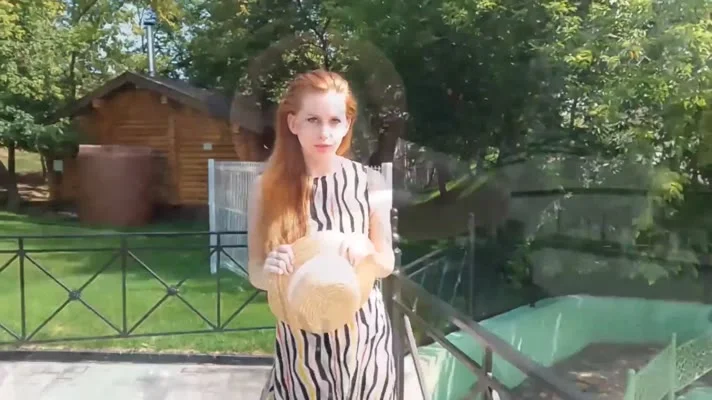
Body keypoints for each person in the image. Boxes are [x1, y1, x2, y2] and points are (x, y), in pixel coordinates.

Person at [247, 69, 396, 400]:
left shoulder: (371, 183)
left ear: (347, 124)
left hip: (365, 343)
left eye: (334, 121)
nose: (325, 133)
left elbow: (387, 262)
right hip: (300, 347)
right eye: (313, 120)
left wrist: (369, 255)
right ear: (293, 123)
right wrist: (270, 270)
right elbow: (255, 271)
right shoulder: (265, 189)